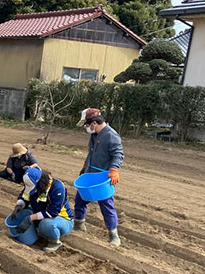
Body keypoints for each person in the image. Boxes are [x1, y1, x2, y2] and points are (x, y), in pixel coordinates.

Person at [74, 108, 123, 247]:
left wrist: (114, 169)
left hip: (103, 177)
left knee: (106, 205)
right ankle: (79, 225)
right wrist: (85, 167)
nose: (86, 128)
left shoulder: (111, 136)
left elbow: (118, 154)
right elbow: (91, 153)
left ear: (94, 123)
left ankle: (113, 235)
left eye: (86, 125)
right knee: (80, 199)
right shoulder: (95, 135)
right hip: (90, 174)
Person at [9, 167, 73, 253]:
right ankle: (38, 230)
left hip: (62, 219)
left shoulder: (57, 188)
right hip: (42, 212)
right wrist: (19, 206)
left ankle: (55, 242)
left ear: (40, 183)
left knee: (45, 224)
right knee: (24, 211)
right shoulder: (32, 182)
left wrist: (30, 218)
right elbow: (24, 196)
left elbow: (52, 212)